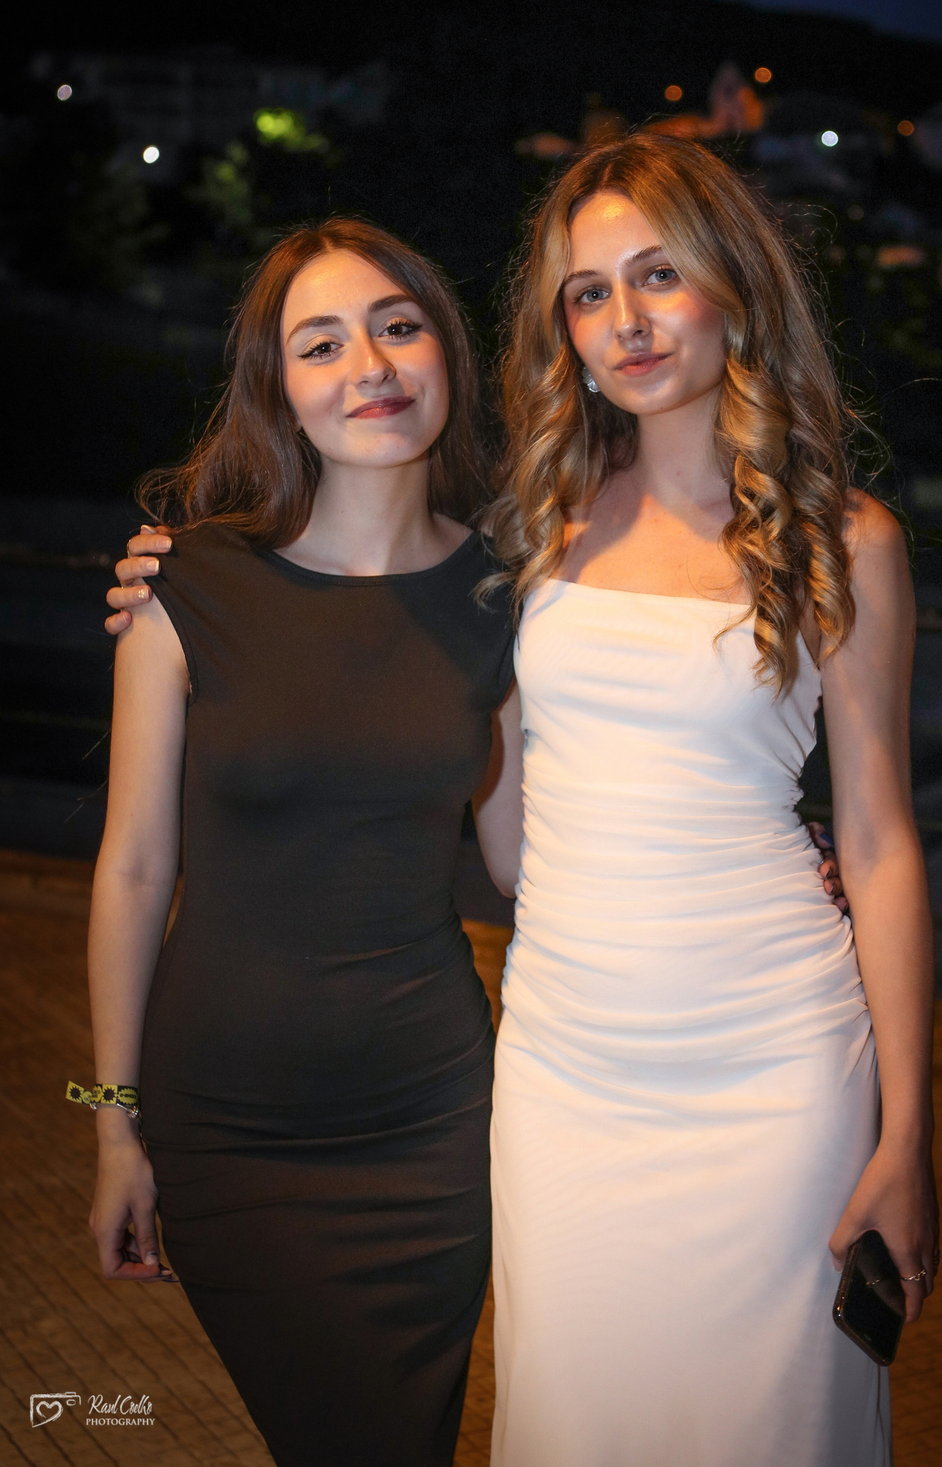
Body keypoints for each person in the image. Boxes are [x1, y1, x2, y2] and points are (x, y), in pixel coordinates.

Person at [480, 134, 937, 1466]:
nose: (625, 319)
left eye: (659, 274)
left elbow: (882, 843)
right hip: (563, 1070)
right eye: (588, 292)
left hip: (776, 1074)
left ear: (733, 286)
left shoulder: (846, 541)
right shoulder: (534, 531)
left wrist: (910, 1133)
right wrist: (185, 579)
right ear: (565, 333)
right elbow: (509, 847)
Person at [77, 217, 523, 1467]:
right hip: (229, 1128)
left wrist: (761, 847)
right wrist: (110, 1123)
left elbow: (526, 862)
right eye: (321, 343)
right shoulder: (187, 585)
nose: (369, 365)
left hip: (435, 1127)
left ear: (446, 350)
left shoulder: (504, 596)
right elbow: (133, 869)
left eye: (397, 325)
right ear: (277, 387)